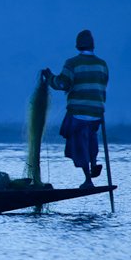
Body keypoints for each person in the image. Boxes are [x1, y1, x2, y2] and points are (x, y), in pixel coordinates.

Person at [42, 30, 109, 188]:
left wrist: (50, 77)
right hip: (96, 112)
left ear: (77, 46)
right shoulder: (102, 64)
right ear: (93, 45)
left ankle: (88, 180)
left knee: (79, 144)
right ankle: (93, 164)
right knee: (90, 139)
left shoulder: (73, 63)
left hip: (78, 113)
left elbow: (63, 84)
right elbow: (104, 83)